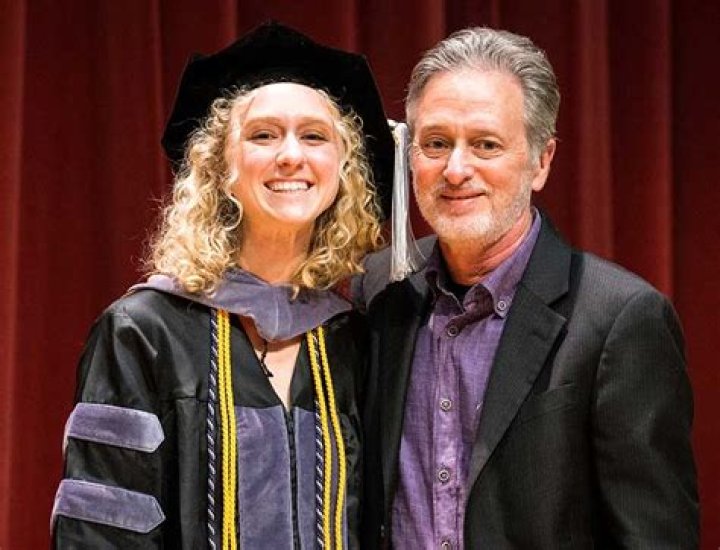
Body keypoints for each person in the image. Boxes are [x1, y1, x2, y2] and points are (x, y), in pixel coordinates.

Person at [51, 22, 395, 549]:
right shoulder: (145, 335)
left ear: (343, 168)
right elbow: (99, 534)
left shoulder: (355, 341)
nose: (290, 155)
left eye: (314, 136)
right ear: (218, 165)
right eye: (263, 135)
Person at [355, 27, 699, 548]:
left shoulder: (620, 319)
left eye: (486, 145)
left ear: (541, 161)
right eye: (436, 143)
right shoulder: (378, 290)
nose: (455, 169)